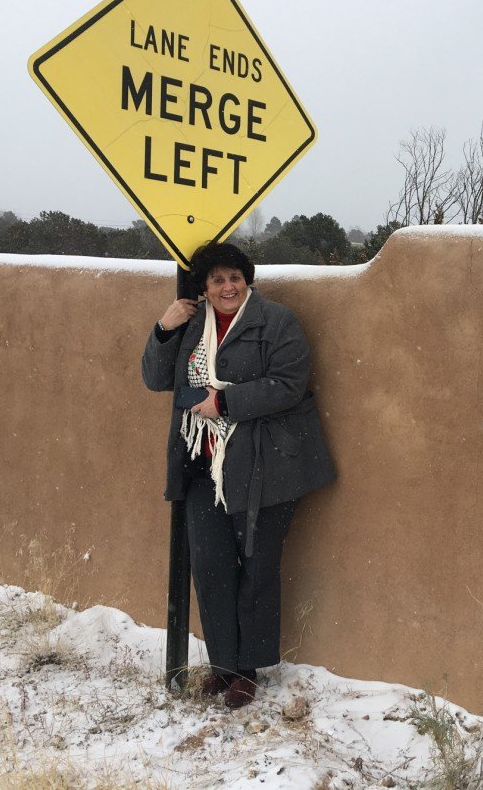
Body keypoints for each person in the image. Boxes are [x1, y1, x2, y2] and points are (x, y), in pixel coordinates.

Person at [141, 242, 336, 709]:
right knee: (210, 568)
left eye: (234, 278)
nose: (227, 287)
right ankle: (226, 665)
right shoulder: (191, 325)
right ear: (204, 290)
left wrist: (226, 402)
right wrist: (164, 328)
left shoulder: (277, 322)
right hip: (204, 465)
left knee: (257, 566)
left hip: (267, 466)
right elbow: (155, 378)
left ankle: (249, 668)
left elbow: (289, 384)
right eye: (216, 280)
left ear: (247, 279)